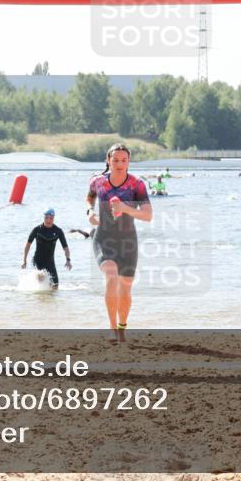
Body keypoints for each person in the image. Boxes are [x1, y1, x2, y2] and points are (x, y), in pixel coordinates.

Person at [87, 143, 153, 343]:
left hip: (127, 242)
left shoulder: (136, 185)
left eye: (124, 160)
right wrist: (90, 211)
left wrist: (125, 208)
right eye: (115, 160)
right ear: (108, 160)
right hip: (104, 238)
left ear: (129, 162)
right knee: (111, 275)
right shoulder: (98, 182)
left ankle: (122, 327)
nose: (119, 164)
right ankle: (112, 329)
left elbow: (148, 215)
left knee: (125, 289)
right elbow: (89, 197)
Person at [22, 209, 71, 289]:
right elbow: (27, 245)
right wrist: (24, 260)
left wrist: (68, 260)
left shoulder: (58, 231)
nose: (48, 220)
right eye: (46, 218)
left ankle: (50, 301)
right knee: (41, 281)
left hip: (50, 262)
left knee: (55, 286)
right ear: (44, 218)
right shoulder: (37, 230)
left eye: (51, 218)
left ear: (53, 218)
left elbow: (65, 247)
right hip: (38, 261)